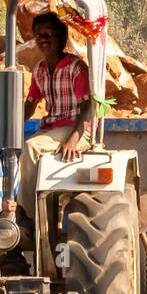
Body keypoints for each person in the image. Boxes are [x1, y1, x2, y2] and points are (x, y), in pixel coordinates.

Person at [17, 12, 93, 221]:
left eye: (48, 35)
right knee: (11, 152)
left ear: (62, 38)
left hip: (75, 129)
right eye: (39, 35)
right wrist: (9, 129)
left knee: (31, 148)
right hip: (52, 129)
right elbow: (30, 104)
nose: (43, 40)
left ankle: (28, 218)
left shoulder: (75, 67)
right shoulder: (40, 69)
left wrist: (72, 141)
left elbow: (88, 107)